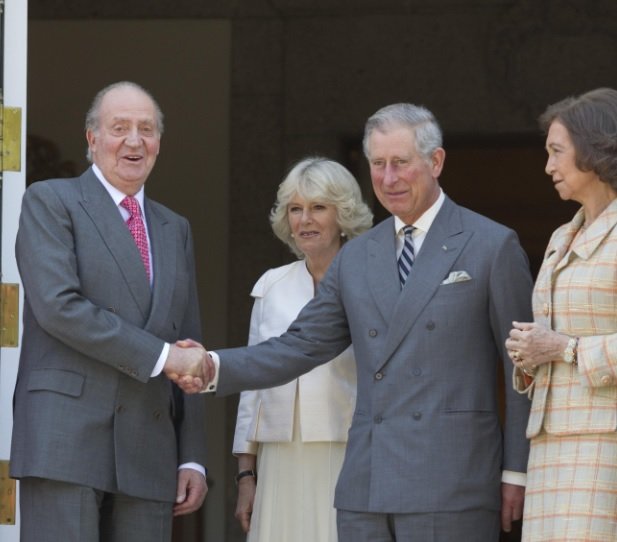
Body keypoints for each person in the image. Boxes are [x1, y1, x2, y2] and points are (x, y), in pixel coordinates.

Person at [191, 102, 534, 541]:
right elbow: (300, 345)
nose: (388, 179)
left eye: (400, 163)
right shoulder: (357, 256)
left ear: (436, 161)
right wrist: (211, 366)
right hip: (366, 484)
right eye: (377, 164)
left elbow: (523, 369)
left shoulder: (490, 244)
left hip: (452, 479)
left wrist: (517, 470)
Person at [10, 81, 210, 542]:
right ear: (92, 138)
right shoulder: (51, 201)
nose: (134, 141)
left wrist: (191, 455)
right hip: (66, 439)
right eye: (119, 128)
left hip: (149, 443)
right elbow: (60, 308)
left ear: (160, 141)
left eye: (147, 129)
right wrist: (163, 357)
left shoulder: (174, 227)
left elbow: (190, 340)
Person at [233, 157, 373, 541]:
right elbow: (251, 385)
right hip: (279, 457)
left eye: (318, 208)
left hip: (346, 451)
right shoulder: (271, 285)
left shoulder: (370, 281)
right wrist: (246, 474)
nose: (305, 220)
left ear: (342, 214)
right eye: (296, 209)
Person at [506, 87, 617, 541]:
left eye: (557, 152)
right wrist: (530, 357)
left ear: (593, 150)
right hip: (551, 442)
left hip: (604, 443)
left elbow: (567, 345)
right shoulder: (559, 237)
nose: (548, 166)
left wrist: (565, 349)